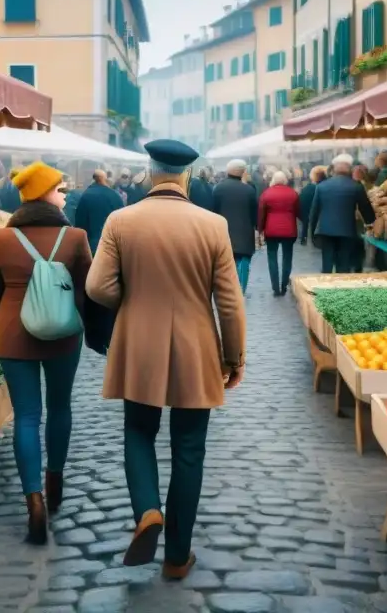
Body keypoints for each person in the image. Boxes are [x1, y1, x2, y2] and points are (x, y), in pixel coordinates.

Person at [86, 139, 246, 581]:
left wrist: (130, 300)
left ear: (149, 173)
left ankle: (147, 510)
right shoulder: (212, 225)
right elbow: (230, 303)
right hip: (196, 346)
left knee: (138, 432)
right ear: (187, 176)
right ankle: (177, 557)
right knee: (189, 449)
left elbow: (97, 286)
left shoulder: (121, 220)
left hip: (138, 341)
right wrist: (233, 358)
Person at [0, 162, 93, 545]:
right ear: (44, 194)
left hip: (14, 337)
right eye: (59, 188)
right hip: (63, 337)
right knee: (60, 407)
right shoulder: (76, 237)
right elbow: (87, 290)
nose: (64, 194)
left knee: (26, 416)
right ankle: (55, 482)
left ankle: (35, 503)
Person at [309, 154, 376, 273]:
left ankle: (326, 287)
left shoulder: (321, 186)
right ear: (350, 168)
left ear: (334, 168)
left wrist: (312, 232)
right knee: (343, 264)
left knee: (327, 264)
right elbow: (366, 209)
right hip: (347, 231)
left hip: (326, 231)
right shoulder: (356, 187)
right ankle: (342, 287)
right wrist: (371, 222)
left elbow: (314, 211)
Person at [212, 159, 258, 292]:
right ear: (243, 172)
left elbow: (213, 211)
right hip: (244, 234)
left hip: (223, 232)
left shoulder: (218, 188)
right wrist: (256, 228)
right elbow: (254, 213)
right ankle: (240, 290)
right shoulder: (249, 190)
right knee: (243, 262)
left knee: (224, 263)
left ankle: (226, 288)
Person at [258, 171, 300, 296]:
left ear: (273, 180)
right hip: (289, 230)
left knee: (272, 257)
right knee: (287, 257)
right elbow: (298, 211)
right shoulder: (293, 193)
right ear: (285, 180)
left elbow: (261, 214)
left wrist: (260, 229)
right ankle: (284, 285)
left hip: (271, 230)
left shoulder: (266, 194)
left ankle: (275, 287)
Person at [75, 170, 126, 254]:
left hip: (92, 246)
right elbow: (122, 221)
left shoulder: (86, 195)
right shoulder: (115, 195)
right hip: (113, 245)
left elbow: (80, 224)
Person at [297, 166, 326, 246]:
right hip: (316, 213)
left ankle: (304, 237)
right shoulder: (321, 187)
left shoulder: (307, 187)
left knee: (306, 222)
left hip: (304, 211)